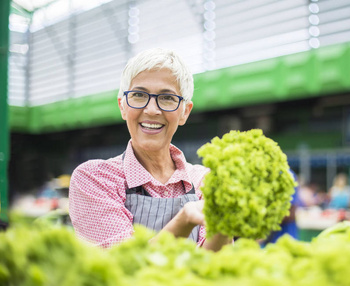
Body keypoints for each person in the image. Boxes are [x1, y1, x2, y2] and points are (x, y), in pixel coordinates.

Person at [69, 48, 231, 251]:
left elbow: (213, 266)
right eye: (138, 95)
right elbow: (121, 267)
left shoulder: (204, 181)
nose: (152, 110)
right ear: (122, 106)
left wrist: (226, 223)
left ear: (184, 113)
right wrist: (185, 220)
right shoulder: (96, 178)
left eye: (167, 98)